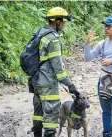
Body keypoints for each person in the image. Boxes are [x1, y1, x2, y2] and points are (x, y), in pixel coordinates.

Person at [30, 7, 80, 137]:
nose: (64, 24)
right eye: (63, 21)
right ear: (57, 22)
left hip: (36, 80)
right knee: (51, 117)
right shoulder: (53, 39)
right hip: (48, 82)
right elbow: (58, 70)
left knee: (38, 113)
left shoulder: (40, 32)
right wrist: (70, 85)